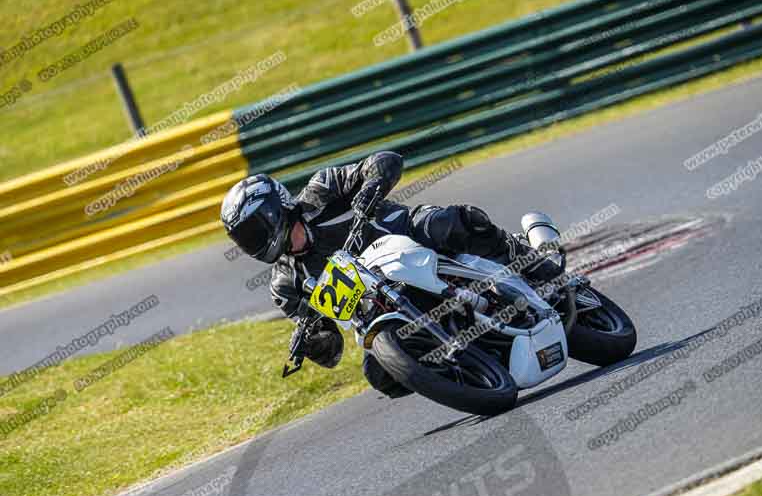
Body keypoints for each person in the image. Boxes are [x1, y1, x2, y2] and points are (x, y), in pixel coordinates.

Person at [220, 151, 560, 397]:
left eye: (254, 230)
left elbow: (385, 161)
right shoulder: (287, 284)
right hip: (382, 305)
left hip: (412, 238)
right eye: (244, 237)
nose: (253, 242)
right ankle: (472, 365)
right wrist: (312, 342)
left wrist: (371, 184)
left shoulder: (320, 191)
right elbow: (332, 349)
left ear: (275, 210)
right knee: (381, 376)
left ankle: (531, 263)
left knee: (455, 221)